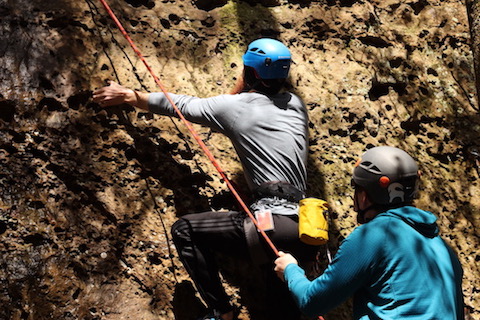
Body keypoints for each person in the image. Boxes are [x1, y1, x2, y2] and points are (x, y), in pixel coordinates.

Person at [93, 38, 320, 320]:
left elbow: (181, 105)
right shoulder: (296, 105)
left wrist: (130, 96)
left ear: (249, 73)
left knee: (185, 230)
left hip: (270, 225)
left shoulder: (234, 107)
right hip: (306, 229)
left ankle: (222, 312)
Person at [274, 146, 465, 320]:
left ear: (364, 196)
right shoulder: (444, 249)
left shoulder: (373, 236)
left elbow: (313, 302)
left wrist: (290, 270)